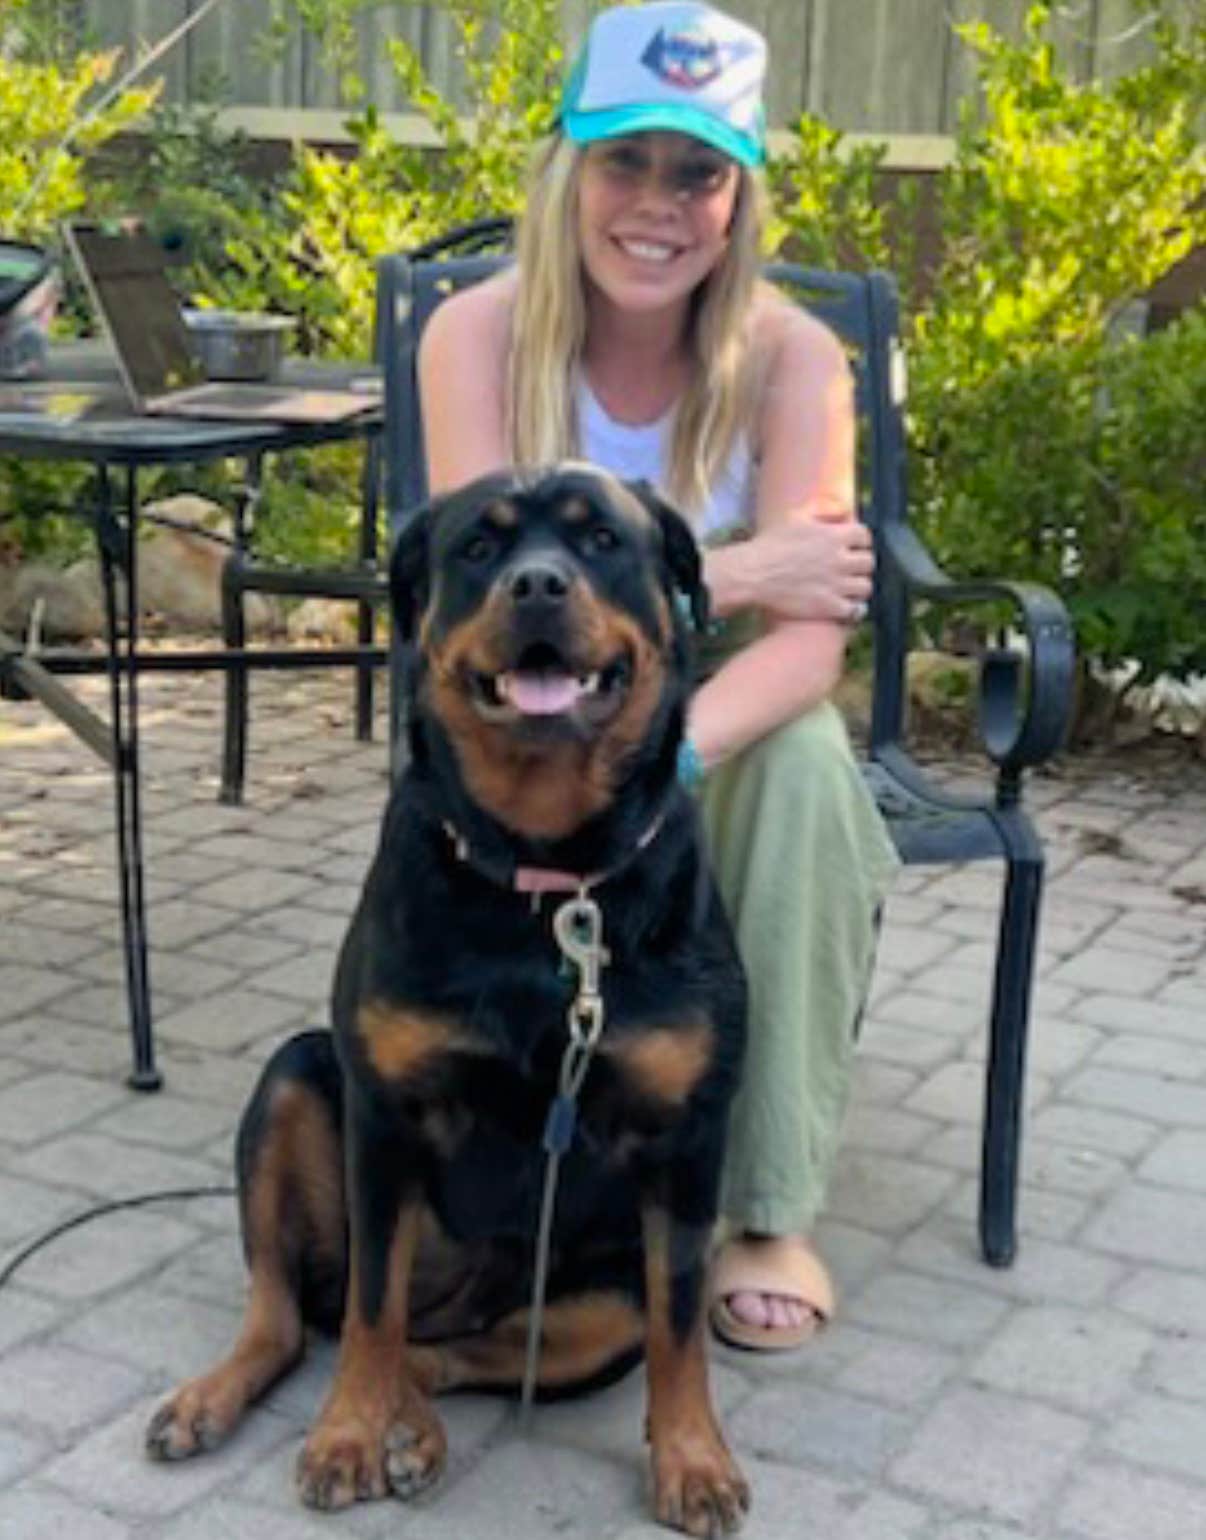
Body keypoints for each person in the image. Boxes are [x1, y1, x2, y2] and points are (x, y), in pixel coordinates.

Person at [417, 0, 900, 1351]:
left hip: (706, 728)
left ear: (738, 200)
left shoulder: (794, 359)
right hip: (514, 726)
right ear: (567, 169)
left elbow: (815, 641)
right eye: (623, 159)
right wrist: (731, 574)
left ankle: (764, 1205)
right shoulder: (475, 337)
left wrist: (661, 761)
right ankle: (466, 1129)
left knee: (805, 768)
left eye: (697, 171)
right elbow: (471, 588)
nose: (657, 204)